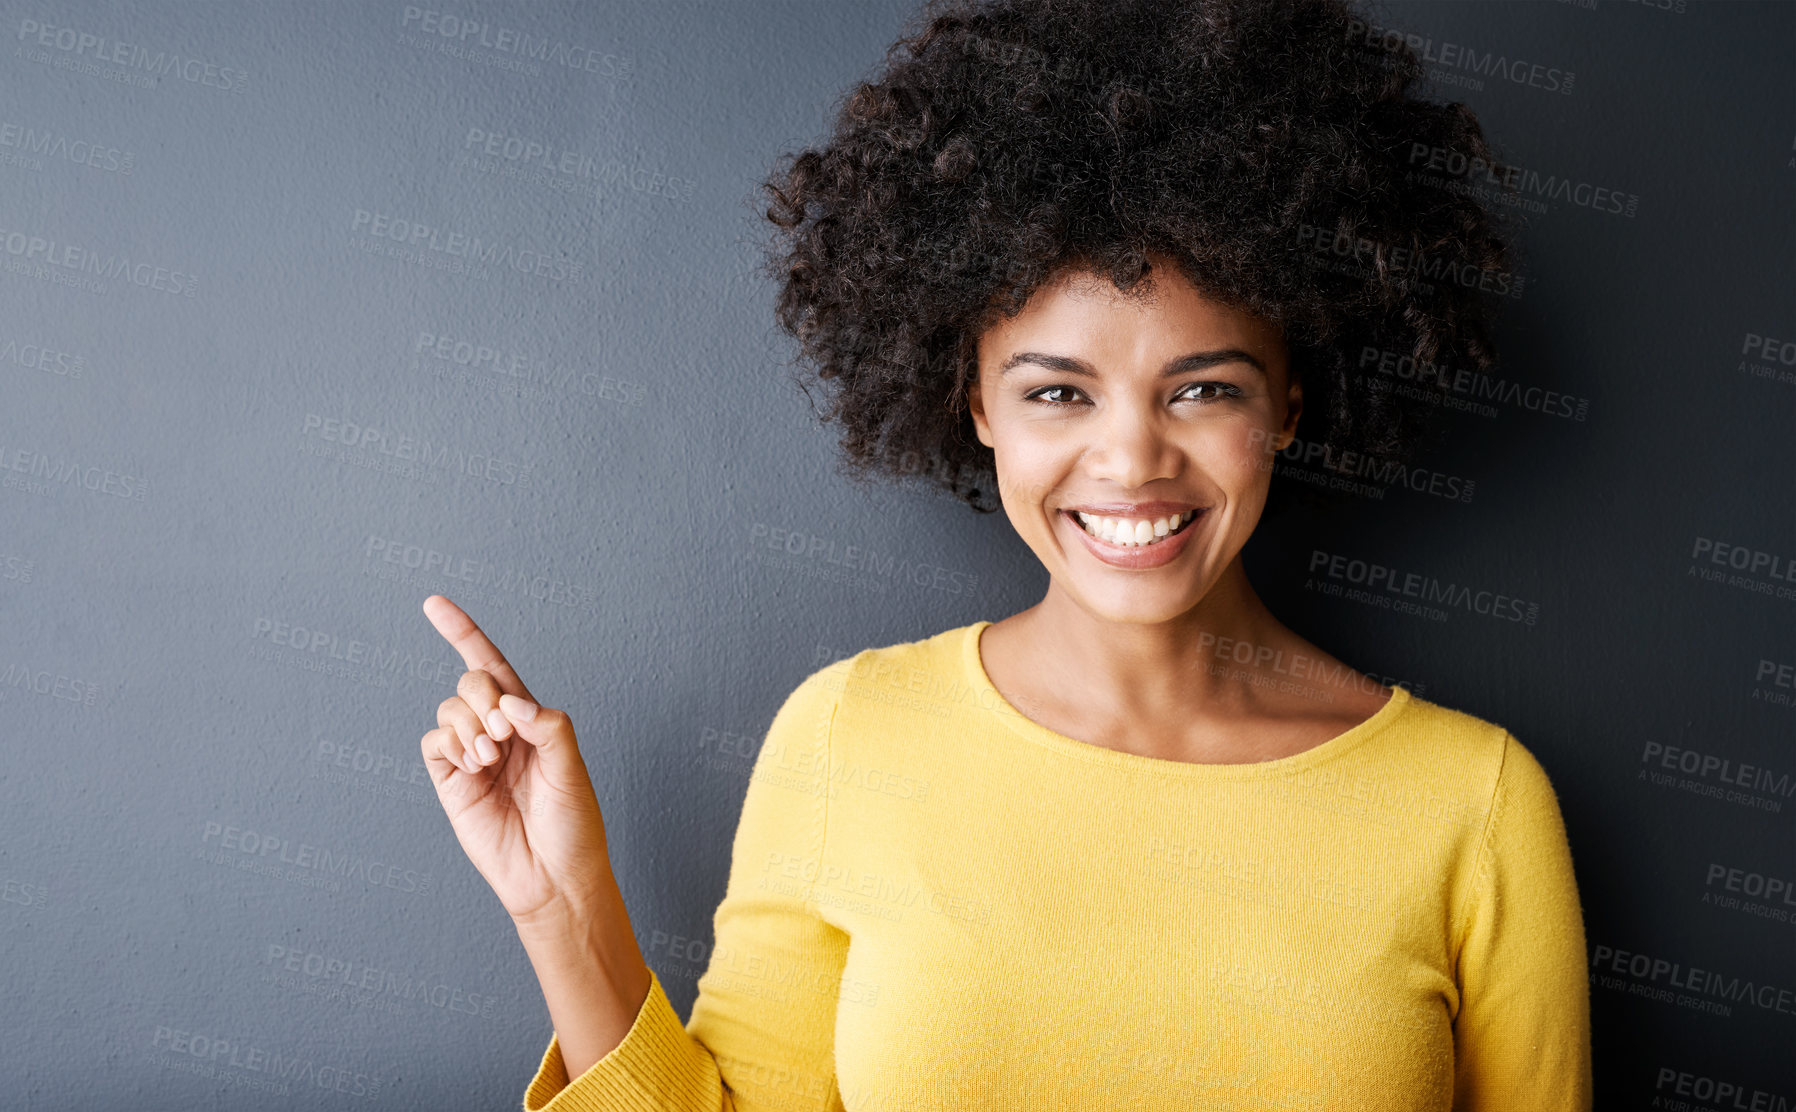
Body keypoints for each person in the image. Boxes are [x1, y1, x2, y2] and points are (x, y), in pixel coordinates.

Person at [419, 0, 1593, 1107]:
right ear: (973, 401)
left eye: (1200, 388)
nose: (1129, 460)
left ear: (1289, 400)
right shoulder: (848, 736)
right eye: (1056, 392)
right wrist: (560, 905)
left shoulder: (1472, 805)